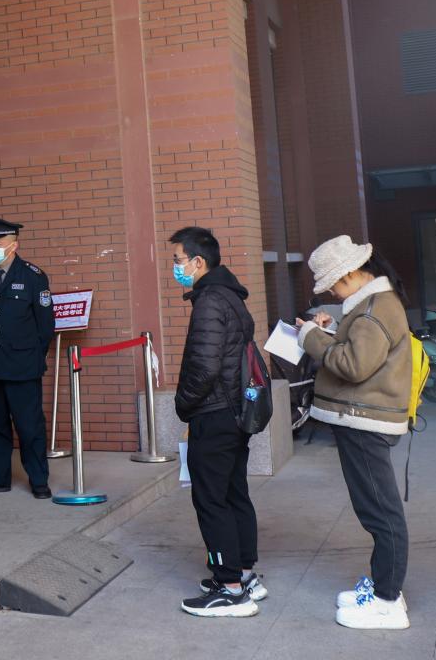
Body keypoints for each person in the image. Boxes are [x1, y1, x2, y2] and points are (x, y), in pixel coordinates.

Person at [297, 236, 412, 631]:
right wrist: (329, 331)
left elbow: (354, 365)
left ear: (350, 274)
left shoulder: (374, 307)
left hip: (364, 420)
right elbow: (361, 352)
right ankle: (384, 588)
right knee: (377, 509)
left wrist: (311, 338)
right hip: (364, 417)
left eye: (333, 284)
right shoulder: (374, 303)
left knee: (380, 512)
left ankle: (387, 601)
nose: (331, 292)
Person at [170, 226, 263, 618]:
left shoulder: (209, 301)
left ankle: (230, 589)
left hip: (215, 412)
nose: (175, 268)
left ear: (198, 261)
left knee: (211, 499)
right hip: (235, 411)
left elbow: (204, 368)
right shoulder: (230, 295)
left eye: (178, 260)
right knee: (234, 492)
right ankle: (243, 574)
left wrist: (183, 404)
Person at [0, 216, 54, 500]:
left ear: (13, 245)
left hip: (23, 366)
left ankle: (38, 479)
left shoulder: (33, 276)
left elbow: (45, 326)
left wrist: (31, 358)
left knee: (29, 426)